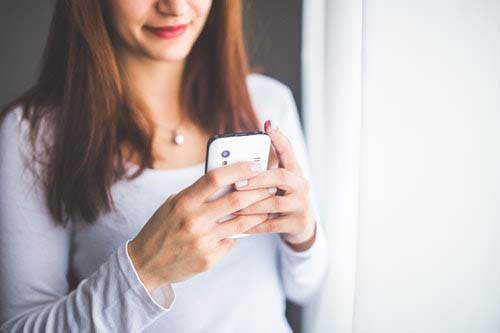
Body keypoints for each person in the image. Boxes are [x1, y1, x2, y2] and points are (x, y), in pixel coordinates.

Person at [0, 0, 327, 332]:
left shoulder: (269, 104)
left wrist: (303, 235)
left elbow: (306, 287)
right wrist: (145, 269)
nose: (174, 7)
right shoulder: (33, 134)